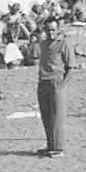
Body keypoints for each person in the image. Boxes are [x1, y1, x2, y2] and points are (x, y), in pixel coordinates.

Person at [34, 16, 74, 158]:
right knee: (47, 116)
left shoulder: (63, 43)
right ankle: (50, 145)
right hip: (43, 82)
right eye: (48, 30)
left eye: (53, 30)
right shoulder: (44, 44)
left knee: (57, 117)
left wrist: (62, 86)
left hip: (56, 82)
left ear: (57, 29)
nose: (51, 33)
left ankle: (58, 148)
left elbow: (70, 67)